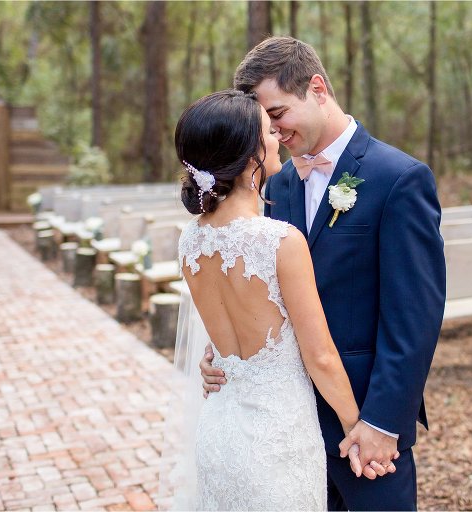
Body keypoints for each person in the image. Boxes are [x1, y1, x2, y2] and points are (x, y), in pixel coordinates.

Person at [200, 36, 446, 510]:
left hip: (365, 431)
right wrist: (225, 356)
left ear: (316, 88)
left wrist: (381, 423)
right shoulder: (274, 183)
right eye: (263, 124)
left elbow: (414, 319)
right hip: (283, 428)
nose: (272, 133)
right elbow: (259, 292)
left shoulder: (400, 178)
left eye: (277, 115)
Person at [162, 89, 384, 510]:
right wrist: (357, 427)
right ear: (250, 157)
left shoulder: (190, 242)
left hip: (218, 434)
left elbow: (222, 334)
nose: (278, 136)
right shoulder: (279, 241)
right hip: (276, 440)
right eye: (268, 130)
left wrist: (211, 360)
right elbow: (319, 355)